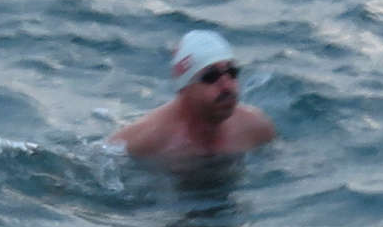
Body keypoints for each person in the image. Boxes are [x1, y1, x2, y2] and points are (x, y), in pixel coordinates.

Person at [114, 28, 277, 161]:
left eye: (232, 72)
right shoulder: (143, 141)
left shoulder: (256, 127)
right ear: (185, 88)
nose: (227, 86)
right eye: (211, 77)